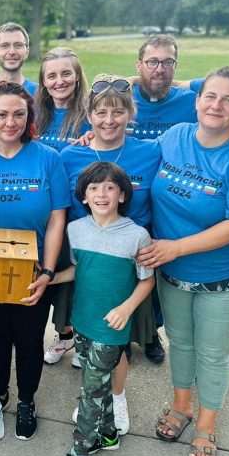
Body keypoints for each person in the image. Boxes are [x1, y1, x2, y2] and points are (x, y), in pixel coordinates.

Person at [140, 67, 229, 456]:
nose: (217, 106)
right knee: (180, 342)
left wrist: (175, 247)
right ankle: (181, 406)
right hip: (173, 272)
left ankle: (207, 424)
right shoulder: (175, 136)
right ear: (197, 101)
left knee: (212, 352)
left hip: (224, 276)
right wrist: (93, 141)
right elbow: (136, 157)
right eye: (210, 96)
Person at [0, 81, 68, 441]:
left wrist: (47, 272)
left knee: (30, 341)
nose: (10, 122)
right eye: (2, 114)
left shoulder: (48, 158)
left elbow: (57, 219)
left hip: (33, 274)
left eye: (19, 114)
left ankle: (27, 400)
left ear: (29, 116)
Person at [60, 74, 162, 435]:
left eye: (118, 112)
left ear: (130, 114)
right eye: (101, 112)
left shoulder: (151, 151)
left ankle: (116, 396)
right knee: (89, 334)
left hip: (131, 258)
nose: (109, 120)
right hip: (86, 256)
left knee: (119, 341)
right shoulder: (71, 154)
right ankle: (94, 392)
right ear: (88, 116)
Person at [47, 162, 154, 456]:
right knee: (97, 381)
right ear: (84, 196)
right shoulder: (76, 229)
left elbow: (147, 281)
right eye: (93, 188)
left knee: (91, 390)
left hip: (111, 327)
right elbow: (77, 270)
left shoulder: (137, 235)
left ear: (122, 195)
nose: (101, 194)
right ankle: (107, 433)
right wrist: (49, 278)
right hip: (82, 320)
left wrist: (126, 308)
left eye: (109, 187)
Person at [33, 47, 91, 371]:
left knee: (75, 281)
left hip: (78, 212)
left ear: (78, 76)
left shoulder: (90, 115)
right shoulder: (35, 115)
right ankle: (65, 334)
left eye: (66, 73)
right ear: (43, 81)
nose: (59, 81)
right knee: (48, 275)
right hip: (43, 212)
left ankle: (79, 337)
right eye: (51, 75)